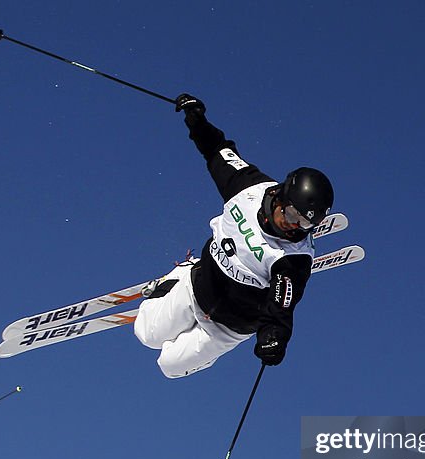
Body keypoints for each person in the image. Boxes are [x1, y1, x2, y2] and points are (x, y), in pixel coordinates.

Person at [133, 93, 336, 379]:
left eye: (305, 225)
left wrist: (273, 338)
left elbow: (281, 308)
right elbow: (217, 150)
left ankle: (198, 355)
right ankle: (177, 275)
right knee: (145, 332)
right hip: (196, 286)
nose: (295, 227)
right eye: (293, 216)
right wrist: (196, 119)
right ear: (279, 196)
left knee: (169, 366)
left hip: (227, 329)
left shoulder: (292, 262)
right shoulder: (247, 188)